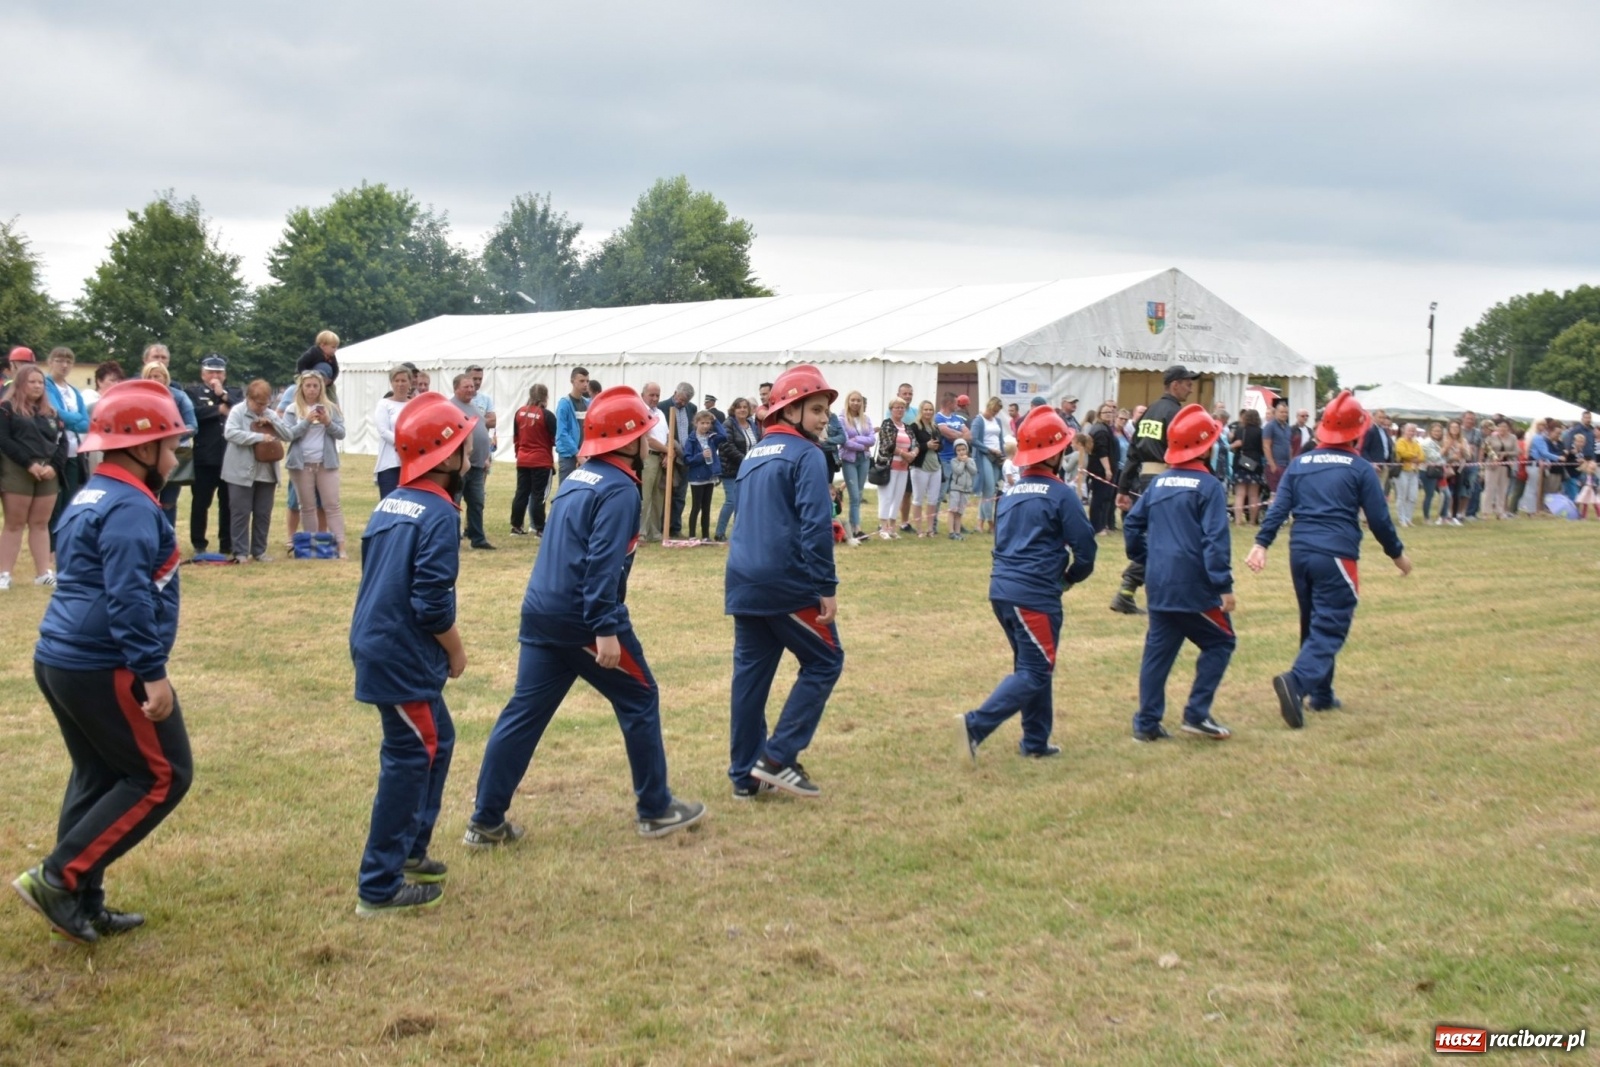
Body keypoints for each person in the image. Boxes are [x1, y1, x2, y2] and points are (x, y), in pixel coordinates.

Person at [468, 386, 706, 840]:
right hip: (581, 617)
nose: (649, 441)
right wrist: (605, 628)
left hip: (541, 611)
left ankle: (486, 820)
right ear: (628, 440)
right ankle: (655, 808)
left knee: (523, 714)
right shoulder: (619, 489)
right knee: (639, 696)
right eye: (644, 433)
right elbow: (602, 566)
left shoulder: (577, 477)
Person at [16, 380, 193, 943]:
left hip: (62, 658)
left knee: (98, 776)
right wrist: (152, 673)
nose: (175, 455)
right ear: (143, 449)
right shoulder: (130, 507)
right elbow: (128, 598)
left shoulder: (91, 494)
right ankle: (58, 877)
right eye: (170, 444)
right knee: (162, 775)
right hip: (104, 664)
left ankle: (84, 902)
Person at [349, 393, 473, 915]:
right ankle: (379, 886)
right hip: (400, 653)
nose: (473, 455)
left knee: (436, 739)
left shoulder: (392, 501)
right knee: (410, 755)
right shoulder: (440, 513)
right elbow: (430, 603)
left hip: (380, 644)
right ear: (444, 459)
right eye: (465, 447)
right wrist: (456, 651)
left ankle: (412, 851)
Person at [1247, 392, 1411, 729]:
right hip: (1336, 553)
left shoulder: (1299, 464)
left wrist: (1261, 543)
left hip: (1300, 554)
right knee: (1331, 624)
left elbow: (1278, 508)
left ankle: (1322, 694)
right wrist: (1397, 555)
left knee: (1313, 622)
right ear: (1357, 432)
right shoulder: (1361, 469)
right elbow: (1379, 519)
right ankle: (1297, 682)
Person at [725, 364, 843, 798]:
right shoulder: (807, 455)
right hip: (787, 582)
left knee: (750, 682)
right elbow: (816, 525)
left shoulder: (755, 453)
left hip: (743, 580)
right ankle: (776, 759)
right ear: (790, 410)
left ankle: (744, 777)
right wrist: (825, 587)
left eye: (826, 411)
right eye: (815, 409)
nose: (823, 418)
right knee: (826, 660)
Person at [958, 406, 1096, 760]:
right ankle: (975, 725)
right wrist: (1070, 578)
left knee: (1033, 665)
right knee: (1035, 670)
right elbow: (1086, 549)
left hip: (1002, 592)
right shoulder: (1061, 494)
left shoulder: (1011, 493)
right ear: (1058, 452)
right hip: (1034, 596)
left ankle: (1035, 742)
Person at [1124, 405, 1235, 743]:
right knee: (1221, 641)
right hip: (1194, 586)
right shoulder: (1210, 487)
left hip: (1159, 583)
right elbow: (1216, 540)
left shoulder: (1158, 483)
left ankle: (1147, 724)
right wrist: (1224, 585)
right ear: (1206, 447)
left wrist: (1146, 557)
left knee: (1158, 653)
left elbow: (1131, 523)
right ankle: (1197, 713)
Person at [1112, 366, 1198, 614]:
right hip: (1169, 478)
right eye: (1187, 383)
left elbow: (1133, 453)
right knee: (1167, 539)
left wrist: (1124, 487)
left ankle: (1128, 591)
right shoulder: (1176, 414)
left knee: (1157, 537)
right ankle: (1131, 588)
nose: (1191, 388)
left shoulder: (1148, 413)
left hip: (1146, 480)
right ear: (1174, 385)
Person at [0, 363, 66, 588]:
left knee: (40, 523)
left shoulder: (51, 413)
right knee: (14, 523)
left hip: (48, 472)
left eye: (40, 382)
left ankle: (43, 573)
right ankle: (4, 574)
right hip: (17, 469)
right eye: (32, 382)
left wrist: (54, 467)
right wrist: (29, 464)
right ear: (20, 383)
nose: (38, 386)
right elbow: (4, 440)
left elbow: (61, 442)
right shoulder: (6, 409)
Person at [221, 379, 291, 563]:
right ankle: (240, 552)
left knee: (263, 513)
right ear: (249, 398)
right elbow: (230, 433)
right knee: (240, 512)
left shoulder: (270, 413)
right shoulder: (238, 411)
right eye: (258, 403)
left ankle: (259, 551)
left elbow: (288, 435)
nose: (261, 407)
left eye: (265, 403)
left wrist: (273, 423)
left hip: (266, 472)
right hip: (240, 472)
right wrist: (259, 437)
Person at [284, 369, 348, 558]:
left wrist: (328, 422)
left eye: (315, 386)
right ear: (301, 388)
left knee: (332, 505)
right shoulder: (292, 409)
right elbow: (287, 434)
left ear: (321, 387)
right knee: (307, 506)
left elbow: (341, 433)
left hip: (325, 463)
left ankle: (340, 547)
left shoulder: (331, 408)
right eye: (308, 386)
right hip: (301, 464)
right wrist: (305, 421)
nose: (311, 390)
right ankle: (312, 547)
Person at [185, 355, 242, 554]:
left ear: (225, 375)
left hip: (229, 457)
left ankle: (227, 543)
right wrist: (218, 409)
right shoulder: (193, 392)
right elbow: (193, 414)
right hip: (205, 457)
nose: (215, 375)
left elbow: (241, 408)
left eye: (219, 372)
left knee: (227, 504)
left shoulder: (233, 392)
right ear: (202, 374)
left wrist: (223, 395)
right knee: (200, 503)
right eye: (211, 372)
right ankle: (199, 543)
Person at [140, 362, 198, 532]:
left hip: (172, 455)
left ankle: (168, 542)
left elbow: (193, 426)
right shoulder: (139, 398)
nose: (153, 379)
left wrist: (170, 437)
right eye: (149, 376)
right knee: (147, 501)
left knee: (168, 503)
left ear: (165, 378)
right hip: (146, 456)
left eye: (157, 375)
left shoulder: (179, 397)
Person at [43, 348, 89, 547]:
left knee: (70, 499)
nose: (64, 365)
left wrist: (73, 420)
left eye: (69, 361)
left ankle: (65, 543)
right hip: (53, 451)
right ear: (50, 362)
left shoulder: (74, 391)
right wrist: (74, 419)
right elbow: (56, 413)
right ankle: (51, 546)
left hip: (73, 451)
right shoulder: (46, 385)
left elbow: (86, 423)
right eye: (59, 360)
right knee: (54, 501)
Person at [449, 373, 495, 550]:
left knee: (477, 503)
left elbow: (482, 431)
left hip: (477, 466)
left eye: (472, 387)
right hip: (460, 466)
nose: (471, 389)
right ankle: (452, 538)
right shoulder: (451, 407)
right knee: (454, 503)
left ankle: (478, 538)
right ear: (456, 388)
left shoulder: (474, 407)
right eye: (466, 386)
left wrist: (485, 456)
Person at [509, 383, 554, 537]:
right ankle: (540, 528)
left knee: (521, 493)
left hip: (523, 459)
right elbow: (554, 439)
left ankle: (516, 526)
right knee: (538, 495)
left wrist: (518, 454)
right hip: (541, 461)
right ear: (545, 396)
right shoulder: (546, 415)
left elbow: (516, 438)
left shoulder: (519, 413)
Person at [715, 396, 761, 542]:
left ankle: (738, 533)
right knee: (732, 501)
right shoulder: (728, 424)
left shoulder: (752, 425)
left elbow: (758, 443)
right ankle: (719, 533)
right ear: (734, 409)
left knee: (744, 502)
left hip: (749, 469)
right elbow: (726, 445)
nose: (742, 410)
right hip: (731, 469)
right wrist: (746, 459)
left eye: (745, 407)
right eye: (739, 407)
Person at [658, 382, 697, 538]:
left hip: (685, 457)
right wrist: (668, 452)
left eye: (685, 401)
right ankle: (662, 527)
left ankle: (676, 527)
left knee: (680, 495)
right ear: (675, 393)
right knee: (666, 493)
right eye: (680, 400)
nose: (682, 403)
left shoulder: (692, 409)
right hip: (668, 455)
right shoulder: (662, 407)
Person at [835, 392, 875, 540]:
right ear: (848, 402)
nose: (856, 403)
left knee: (859, 493)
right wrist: (861, 446)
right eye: (853, 400)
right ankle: (855, 528)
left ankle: (855, 526)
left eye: (858, 400)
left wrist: (857, 438)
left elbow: (872, 440)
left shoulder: (866, 419)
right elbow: (844, 441)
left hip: (864, 459)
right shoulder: (842, 419)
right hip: (849, 460)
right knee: (854, 495)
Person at [371, 365, 412, 499]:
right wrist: (402, 443)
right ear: (392, 383)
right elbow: (383, 430)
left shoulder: (414, 405)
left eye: (403, 381)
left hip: (410, 463)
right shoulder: (384, 404)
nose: (400, 384)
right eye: (397, 381)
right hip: (390, 463)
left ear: (410, 383)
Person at [875, 398, 914, 540]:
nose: (899, 410)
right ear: (891, 409)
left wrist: (912, 455)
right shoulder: (887, 424)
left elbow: (915, 444)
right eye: (897, 407)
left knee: (898, 497)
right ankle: (883, 527)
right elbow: (888, 444)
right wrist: (904, 454)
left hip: (903, 467)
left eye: (902, 407)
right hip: (888, 466)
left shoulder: (907, 427)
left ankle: (892, 527)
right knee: (886, 496)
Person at [933, 392, 970, 534]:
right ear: (949, 404)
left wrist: (956, 437)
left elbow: (969, 435)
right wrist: (959, 436)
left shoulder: (957, 418)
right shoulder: (938, 417)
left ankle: (957, 525)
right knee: (940, 494)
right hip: (945, 460)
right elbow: (944, 432)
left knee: (959, 493)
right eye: (955, 403)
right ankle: (934, 526)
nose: (957, 405)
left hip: (958, 460)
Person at [969, 397, 1008, 534]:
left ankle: (980, 523)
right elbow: (973, 439)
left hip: (997, 458)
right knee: (989, 489)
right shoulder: (978, 420)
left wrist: (1004, 456)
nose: (996, 414)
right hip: (984, 456)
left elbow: (1000, 439)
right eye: (994, 411)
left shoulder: (997, 421)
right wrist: (988, 449)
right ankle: (991, 523)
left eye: (997, 412)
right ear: (989, 407)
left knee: (989, 492)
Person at [684, 409, 724, 541]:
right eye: (702, 423)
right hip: (697, 477)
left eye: (708, 423)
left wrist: (716, 420)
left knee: (706, 507)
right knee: (696, 506)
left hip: (709, 476)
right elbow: (687, 459)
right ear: (696, 423)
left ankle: (706, 536)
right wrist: (701, 456)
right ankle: (692, 535)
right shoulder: (691, 439)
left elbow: (724, 436)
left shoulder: (712, 437)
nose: (706, 426)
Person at [638, 382, 668, 541]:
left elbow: (667, 436)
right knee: (645, 496)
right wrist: (668, 451)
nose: (655, 398)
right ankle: (641, 533)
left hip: (661, 457)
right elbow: (648, 438)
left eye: (657, 395)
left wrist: (667, 454)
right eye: (652, 395)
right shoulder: (641, 411)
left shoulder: (661, 413)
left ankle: (654, 532)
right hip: (648, 457)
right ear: (643, 395)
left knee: (658, 496)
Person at [909, 400, 942, 536]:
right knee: (918, 498)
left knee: (933, 499)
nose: (928, 412)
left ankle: (930, 528)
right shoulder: (914, 427)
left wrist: (937, 446)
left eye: (930, 410)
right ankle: (919, 528)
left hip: (935, 466)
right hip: (920, 467)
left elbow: (942, 446)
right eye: (926, 409)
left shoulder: (935, 427)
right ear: (921, 411)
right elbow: (912, 446)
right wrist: (926, 445)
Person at [1087, 401, 1120, 534]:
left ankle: (1102, 525)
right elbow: (1102, 452)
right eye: (1105, 412)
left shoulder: (1104, 428)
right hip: (1100, 470)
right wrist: (1107, 469)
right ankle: (1097, 527)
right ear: (1099, 414)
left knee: (1105, 498)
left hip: (1103, 469)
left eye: (1110, 412)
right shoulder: (1100, 430)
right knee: (1099, 498)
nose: (1108, 414)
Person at [553, 366, 590, 484]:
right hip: (568, 456)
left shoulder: (587, 403)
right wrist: (577, 454)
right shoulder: (564, 404)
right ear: (572, 381)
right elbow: (562, 433)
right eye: (582, 381)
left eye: (587, 381)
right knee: (566, 490)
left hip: (585, 454)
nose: (585, 384)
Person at [1230, 408, 1266, 525]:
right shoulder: (1260, 431)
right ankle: (1252, 521)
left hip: (1241, 462)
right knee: (1253, 495)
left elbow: (1235, 446)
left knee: (1240, 495)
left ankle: (1238, 520)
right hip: (1255, 463)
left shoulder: (1240, 430)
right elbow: (1262, 449)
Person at [1481, 419, 1518, 520]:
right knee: (1489, 488)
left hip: (1505, 466)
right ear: (1497, 427)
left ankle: (1500, 511)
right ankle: (1486, 512)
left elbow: (1517, 451)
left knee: (1503, 489)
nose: (1503, 429)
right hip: (1492, 465)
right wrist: (1494, 457)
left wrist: (1506, 454)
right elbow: (1486, 449)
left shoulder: (1513, 438)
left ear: (1509, 428)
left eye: (1505, 427)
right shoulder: (1490, 437)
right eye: (1501, 426)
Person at [1393, 423, 1424, 526]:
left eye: (1413, 431)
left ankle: (1408, 518)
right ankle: (1402, 519)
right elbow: (1402, 453)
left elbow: (1422, 457)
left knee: (1412, 497)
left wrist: (1413, 457)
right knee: (1402, 496)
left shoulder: (1416, 443)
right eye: (1410, 430)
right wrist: (1414, 456)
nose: (1412, 432)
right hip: (1402, 471)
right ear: (1404, 431)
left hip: (1413, 472)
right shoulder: (1400, 441)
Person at [1261, 398, 1293, 499]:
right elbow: (1266, 446)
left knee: (1285, 492)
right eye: (1281, 412)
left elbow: (1289, 445)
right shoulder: (1270, 426)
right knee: (1275, 494)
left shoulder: (1288, 427)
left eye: (1286, 412)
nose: (1284, 414)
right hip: (1275, 465)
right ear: (1275, 413)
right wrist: (1272, 465)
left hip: (1286, 465)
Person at [947, 440, 976, 539]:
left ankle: (958, 532)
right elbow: (958, 471)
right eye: (959, 450)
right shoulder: (954, 461)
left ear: (967, 450)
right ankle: (951, 532)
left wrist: (967, 462)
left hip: (966, 490)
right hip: (955, 489)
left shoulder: (971, 461)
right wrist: (962, 462)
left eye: (963, 449)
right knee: (953, 510)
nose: (961, 452)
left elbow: (974, 471)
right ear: (955, 451)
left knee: (960, 512)